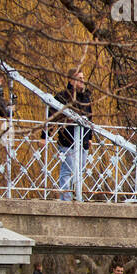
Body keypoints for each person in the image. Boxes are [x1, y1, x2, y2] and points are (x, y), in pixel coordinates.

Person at [45, 69, 93, 200]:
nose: (83, 81)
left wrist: (90, 137)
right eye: (79, 78)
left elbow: (89, 118)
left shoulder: (86, 97)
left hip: (83, 141)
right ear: (71, 80)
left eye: (83, 78)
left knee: (80, 171)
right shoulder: (62, 97)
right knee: (68, 170)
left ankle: (77, 196)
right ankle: (66, 198)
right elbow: (52, 117)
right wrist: (45, 136)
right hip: (67, 139)